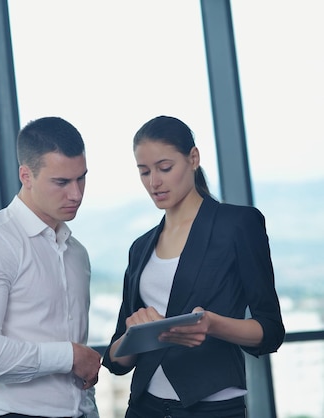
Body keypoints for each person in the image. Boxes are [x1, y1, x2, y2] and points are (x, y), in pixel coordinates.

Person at [102, 115, 285, 417]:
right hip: (144, 407)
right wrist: (133, 336)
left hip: (212, 408)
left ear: (193, 158)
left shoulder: (238, 225)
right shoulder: (140, 247)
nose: (154, 182)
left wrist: (212, 324)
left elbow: (271, 331)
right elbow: (116, 357)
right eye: (144, 171)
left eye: (164, 168)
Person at [0, 116, 102, 418]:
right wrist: (69, 355)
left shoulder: (76, 253)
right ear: (26, 176)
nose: (76, 194)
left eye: (81, 178)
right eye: (61, 182)